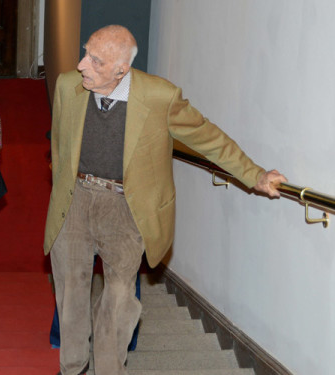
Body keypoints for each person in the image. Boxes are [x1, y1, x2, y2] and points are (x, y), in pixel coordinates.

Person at [44, 25, 287, 375]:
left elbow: (209, 138)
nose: (82, 65)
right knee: (70, 294)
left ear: (120, 69)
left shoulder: (160, 97)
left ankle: (110, 370)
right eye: (85, 53)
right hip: (74, 201)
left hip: (126, 208)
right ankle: (72, 368)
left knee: (118, 297)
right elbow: (60, 146)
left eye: (95, 61)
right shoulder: (68, 86)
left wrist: (255, 175)